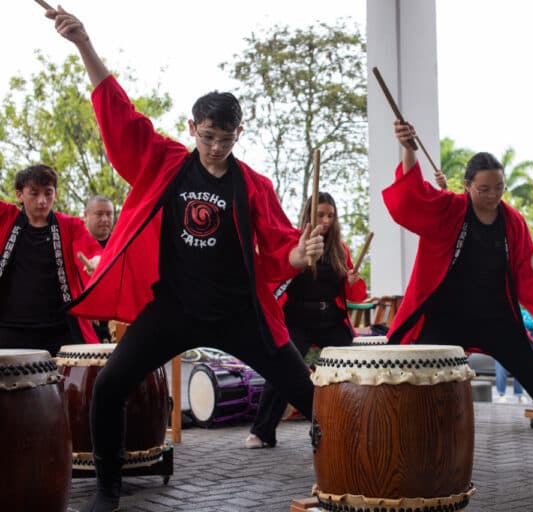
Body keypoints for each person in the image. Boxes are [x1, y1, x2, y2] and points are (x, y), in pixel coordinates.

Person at [48, 8, 325, 511]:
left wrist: (301, 253)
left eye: (226, 138)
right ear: (192, 127)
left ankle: (345, 470)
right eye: (208, 136)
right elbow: (120, 113)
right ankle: (108, 489)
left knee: (310, 397)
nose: (216, 148)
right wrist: (84, 43)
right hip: (174, 308)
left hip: (239, 312)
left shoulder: (253, 186)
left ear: (239, 133)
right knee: (109, 386)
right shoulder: (165, 162)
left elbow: (280, 248)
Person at [382, 120, 533, 446]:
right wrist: (409, 151)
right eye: (484, 189)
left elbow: (523, 275)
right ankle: (402, 448)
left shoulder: (513, 221)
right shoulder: (450, 209)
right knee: (409, 374)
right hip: (444, 316)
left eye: (499, 188)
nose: (493, 195)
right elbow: (412, 200)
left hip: (497, 318)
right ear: (467, 185)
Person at [245, 192, 367, 449]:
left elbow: (355, 295)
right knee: (282, 366)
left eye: (330, 215)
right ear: (309, 215)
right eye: (320, 215)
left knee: (356, 365)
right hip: (297, 319)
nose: (326, 220)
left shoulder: (340, 249)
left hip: (331, 321)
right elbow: (275, 275)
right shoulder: (296, 243)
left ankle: (353, 424)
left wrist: (351, 282)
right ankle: (262, 431)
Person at [0, 165, 102, 356]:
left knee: (86, 366)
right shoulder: (5, 216)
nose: (42, 201)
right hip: (9, 327)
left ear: (55, 193)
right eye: (34, 193)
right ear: (19, 195)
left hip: (61, 327)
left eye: (48, 193)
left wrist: (97, 261)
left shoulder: (70, 226)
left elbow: (92, 251)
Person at [495, 307, 533, 403]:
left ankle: (519, 394)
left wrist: (519, 321)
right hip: (502, 344)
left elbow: (531, 325)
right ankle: (501, 394)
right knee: (501, 369)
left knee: (521, 369)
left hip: (519, 345)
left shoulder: (523, 313)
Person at [84, 195, 115, 341]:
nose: (105, 219)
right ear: (86, 215)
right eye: (99, 214)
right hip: (83, 320)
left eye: (109, 214)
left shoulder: (120, 245)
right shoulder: (74, 243)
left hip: (113, 319)